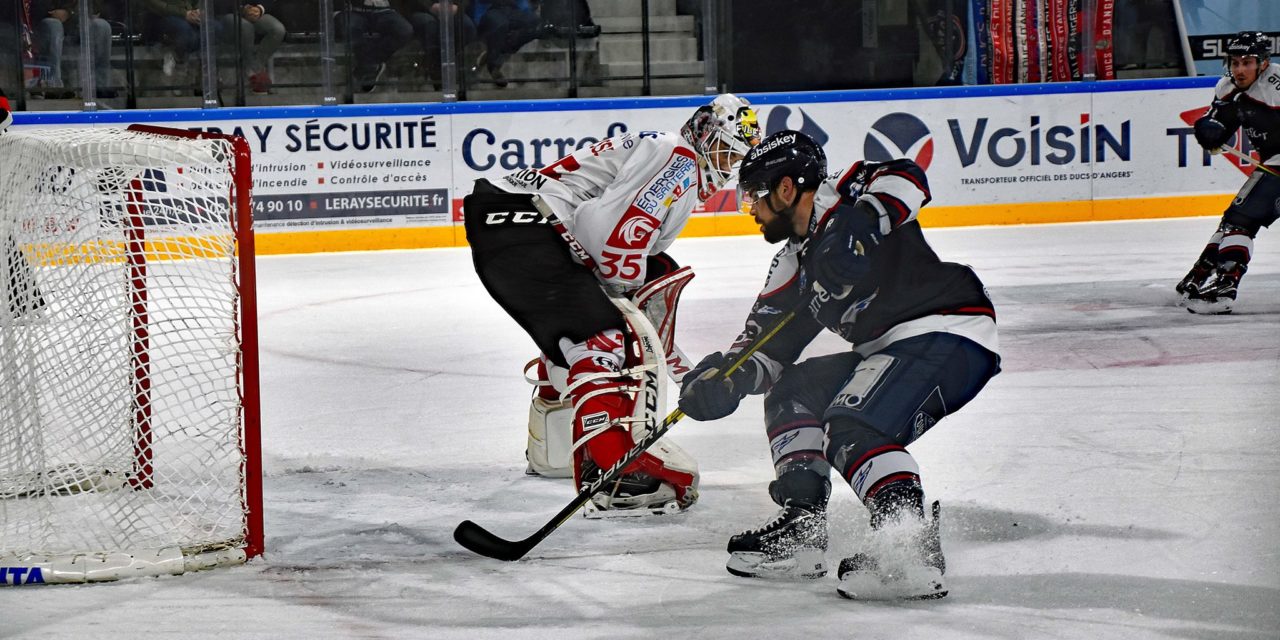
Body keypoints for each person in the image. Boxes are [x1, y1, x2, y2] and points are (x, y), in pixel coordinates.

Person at [677, 130, 1000, 600]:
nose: (751, 209)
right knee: (793, 391)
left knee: (851, 423)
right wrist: (725, 378)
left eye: (755, 196)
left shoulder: (844, 194)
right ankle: (802, 529)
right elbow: (765, 347)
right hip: (888, 350)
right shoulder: (792, 264)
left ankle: (907, 542)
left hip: (947, 328)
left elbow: (906, 175)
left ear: (786, 188)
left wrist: (861, 223)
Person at [462, 94, 760, 515]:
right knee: (603, 337)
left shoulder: (673, 161)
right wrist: (622, 298)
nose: (727, 166)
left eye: (735, 158)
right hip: (525, 221)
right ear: (703, 134)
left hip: (515, 218)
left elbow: (614, 248)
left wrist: (681, 369)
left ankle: (553, 448)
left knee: (578, 328)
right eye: (724, 151)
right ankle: (615, 471)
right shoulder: (677, 158)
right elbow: (606, 236)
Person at [1179, 31, 1280, 315]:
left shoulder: (1277, 85)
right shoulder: (1227, 87)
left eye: (1247, 62)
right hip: (1273, 163)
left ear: (1263, 63)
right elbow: (1218, 124)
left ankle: (1224, 286)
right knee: (1234, 220)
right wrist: (1209, 131)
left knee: (1240, 220)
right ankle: (1200, 274)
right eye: (1235, 62)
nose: (1239, 69)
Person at [31, 0, 113, 99]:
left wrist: (70, 12)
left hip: (79, 25)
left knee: (102, 25)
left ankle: (100, 87)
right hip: (48, 27)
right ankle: (53, 86)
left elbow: (100, 9)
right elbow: (41, 10)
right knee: (53, 24)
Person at [336, 0, 413, 93]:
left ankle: (369, 64)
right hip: (355, 11)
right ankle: (370, 67)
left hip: (385, 11)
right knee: (350, 26)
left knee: (404, 30)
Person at [404, 0, 479, 90]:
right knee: (430, 27)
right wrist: (430, 6)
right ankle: (436, 73)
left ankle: (450, 65)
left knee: (467, 27)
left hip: (453, 10)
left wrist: (457, 7)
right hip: (421, 10)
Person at [215, 1, 286, 95]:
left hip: (255, 11)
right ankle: (253, 73)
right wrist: (242, 10)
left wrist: (259, 9)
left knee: (278, 29)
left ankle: (255, 67)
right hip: (229, 14)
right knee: (246, 27)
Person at [468, 0, 539, 88]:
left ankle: (494, 53)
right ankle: (493, 66)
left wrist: (527, 10)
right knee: (501, 24)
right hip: (488, 9)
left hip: (512, 8)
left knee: (534, 21)